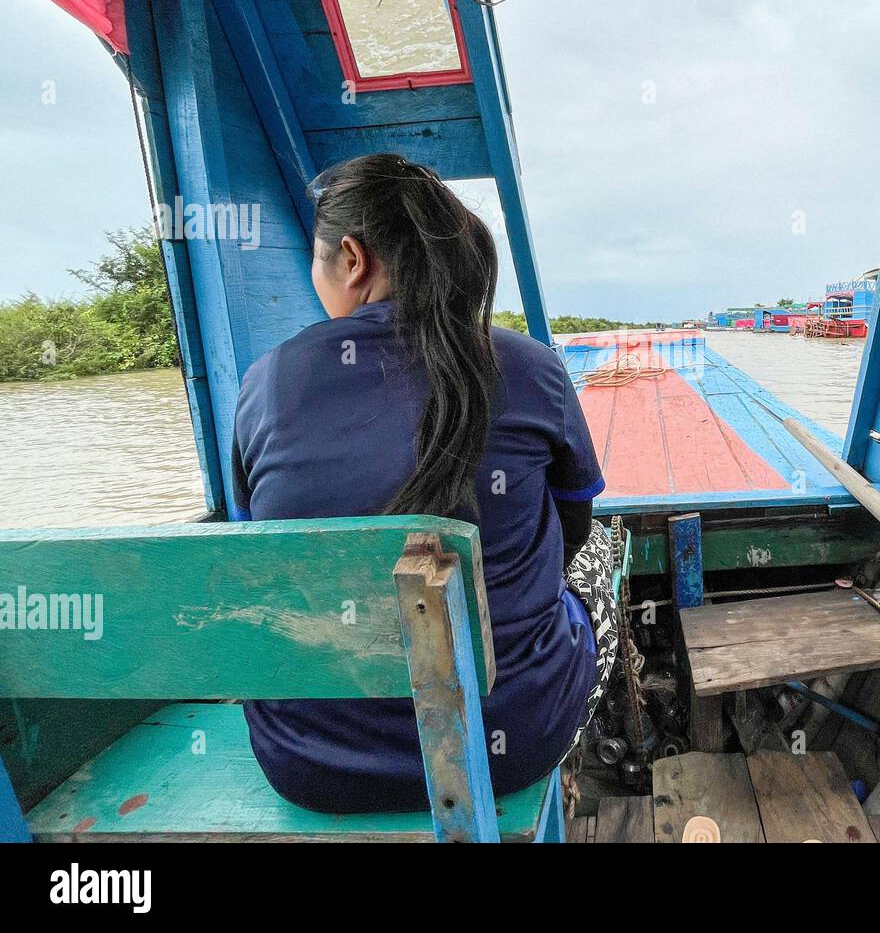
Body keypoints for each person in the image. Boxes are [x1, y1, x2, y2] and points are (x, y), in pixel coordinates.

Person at [230, 153, 608, 813]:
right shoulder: (531, 367)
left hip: (308, 758)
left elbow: (255, 549)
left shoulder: (265, 383)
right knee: (602, 549)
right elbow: (574, 527)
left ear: (352, 258)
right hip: (512, 744)